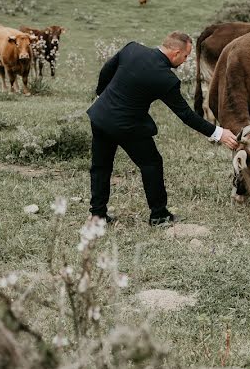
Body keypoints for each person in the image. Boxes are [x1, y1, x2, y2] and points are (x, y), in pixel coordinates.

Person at [87, 31, 238, 226]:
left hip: (100, 117)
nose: (185, 61)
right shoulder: (166, 79)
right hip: (128, 126)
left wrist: (102, 95)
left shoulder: (132, 49)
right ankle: (159, 215)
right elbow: (186, 115)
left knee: (101, 166)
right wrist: (219, 133)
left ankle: (97, 215)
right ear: (175, 53)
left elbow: (106, 70)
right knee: (151, 164)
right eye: (185, 56)